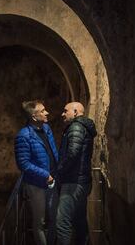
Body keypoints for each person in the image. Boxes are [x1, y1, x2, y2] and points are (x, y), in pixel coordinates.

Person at [14, 100, 59, 245]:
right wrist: (45, 175)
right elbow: (23, 164)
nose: (47, 113)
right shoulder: (23, 135)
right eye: (43, 111)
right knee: (40, 222)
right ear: (34, 116)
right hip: (37, 184)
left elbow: (53, 153)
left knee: (55, 218)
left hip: (53, 181)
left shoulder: (46, 128)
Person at [55, 102, 97, 245]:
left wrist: (58, 170)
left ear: (75, 112)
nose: (63, 113)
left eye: (65, 111)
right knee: (79, 221)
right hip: (81, 180)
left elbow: (72, 154)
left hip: (73, 182)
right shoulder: (83, 127)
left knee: (62, 223)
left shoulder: (76, 127)